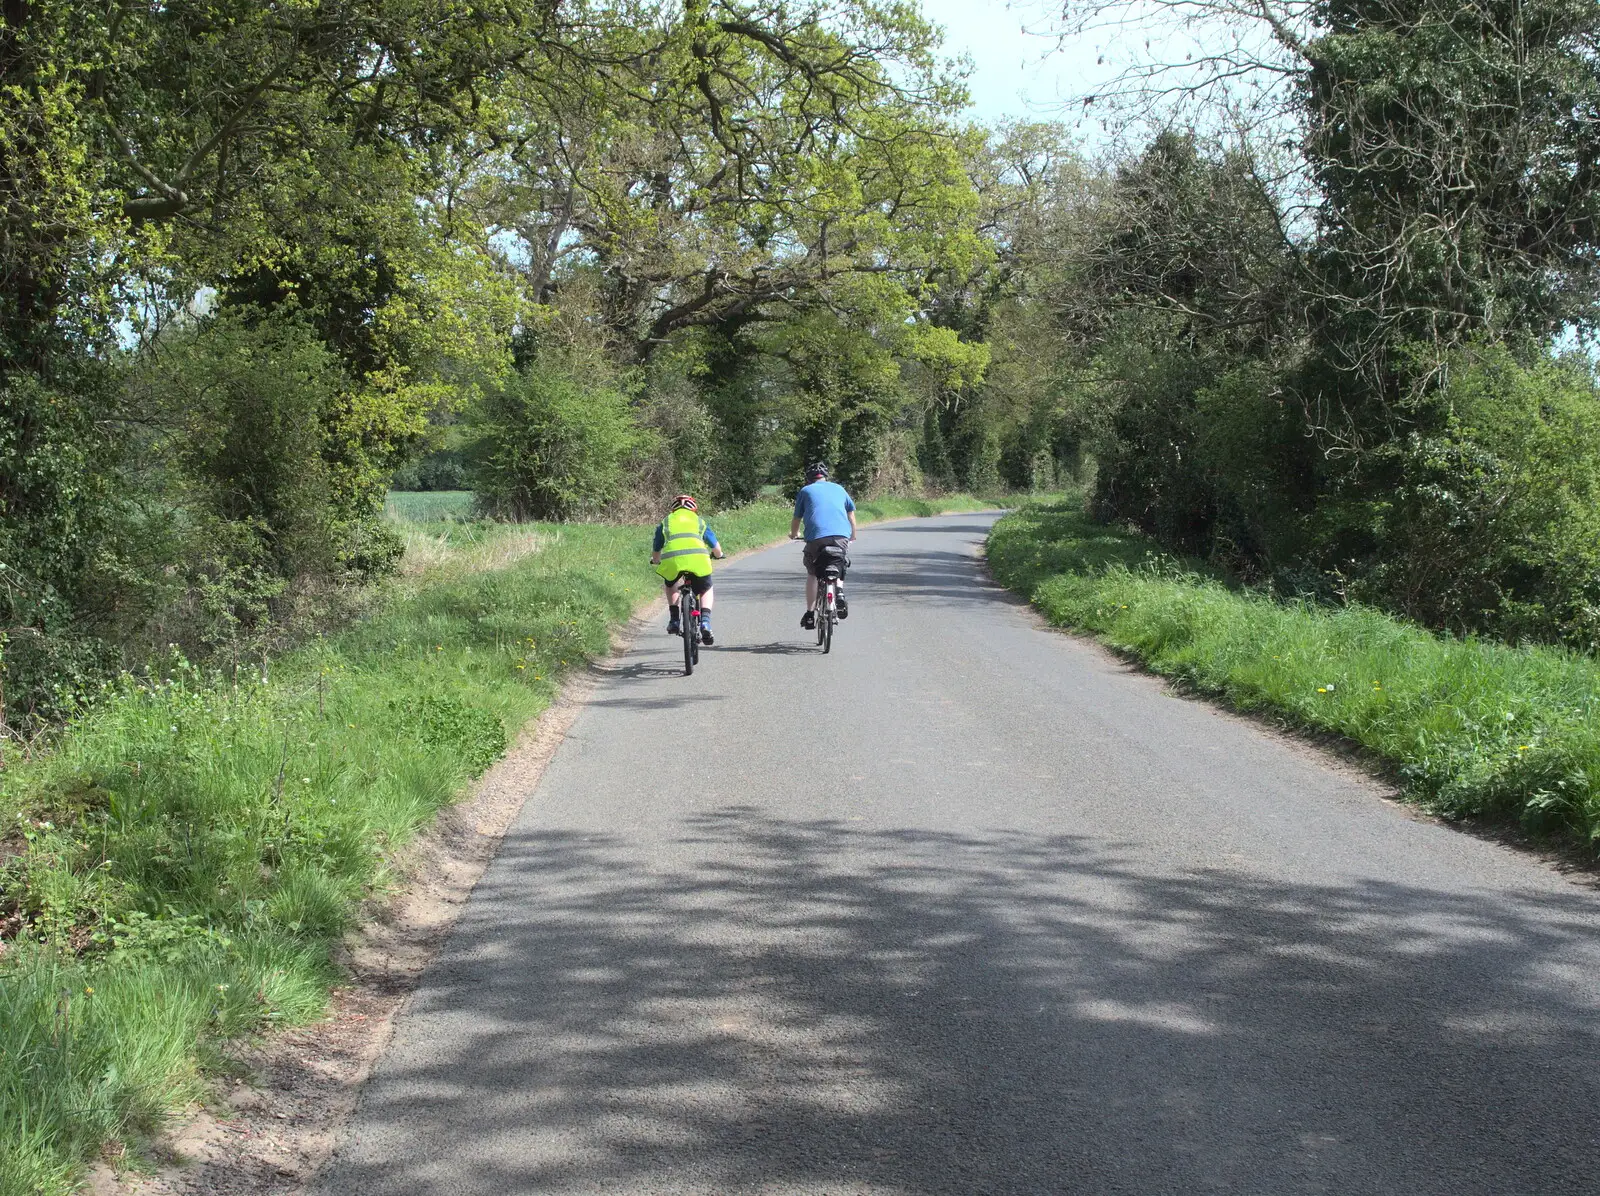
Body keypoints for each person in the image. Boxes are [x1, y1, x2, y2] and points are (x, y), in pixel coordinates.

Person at [789, 462, 856, 629]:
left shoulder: (805, 491)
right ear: (826, 476)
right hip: (841, 535)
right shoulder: (839, 489)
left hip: (816, 538)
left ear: (809, 479)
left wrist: (794, 534)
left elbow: (797, 519)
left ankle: (810, 613)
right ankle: (839, 592)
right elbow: (851, 514)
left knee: (813, 572)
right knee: (839, 563)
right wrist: (853, 534)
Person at [651, 494, 725, 644]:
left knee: (671, 584)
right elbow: (716, 548)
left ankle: (674, 620)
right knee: (706, 588)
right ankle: (705, 621)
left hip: (673, 561)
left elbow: (656, 547)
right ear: (693, 509)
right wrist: (719, 555)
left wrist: (656, 560)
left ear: (673, 509)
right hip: (698, 560)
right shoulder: (699, 522)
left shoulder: (666, 522)